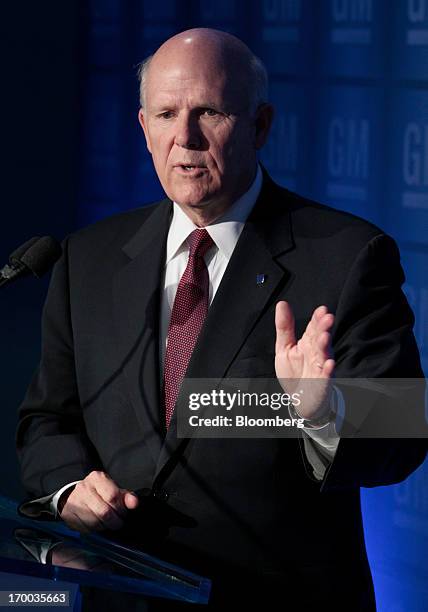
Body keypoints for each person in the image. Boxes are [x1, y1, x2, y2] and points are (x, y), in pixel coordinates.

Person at [16, 28, 426, 611]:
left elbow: (403, 434)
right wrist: (67, 491)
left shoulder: (345, 255)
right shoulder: (89, 258)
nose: (183, 138)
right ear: (142, 128)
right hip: (116, 594)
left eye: (208, 111)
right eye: (165, 114)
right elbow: (46, 420)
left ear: (260, 125)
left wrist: (325, 413)